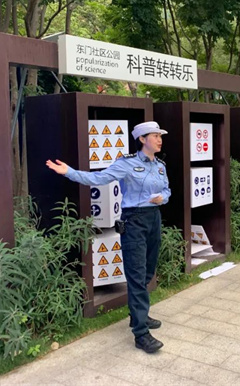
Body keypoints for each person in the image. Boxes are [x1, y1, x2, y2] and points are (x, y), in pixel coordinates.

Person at [46, 121, 171, 354]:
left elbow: (167, 190)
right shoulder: (127, 164)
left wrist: (161, 198)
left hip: (154, 219)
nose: (160, 139)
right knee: (135, 274)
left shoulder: (160, 166)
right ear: (143, 139)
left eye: (160, 135)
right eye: (155, 135)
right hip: (134, 221)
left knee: (146, 271)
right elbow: (99, 179)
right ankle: (141, 333)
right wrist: (69, 172)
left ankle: (137, 316)